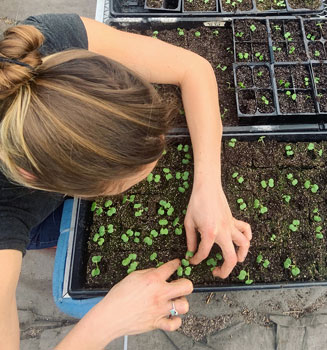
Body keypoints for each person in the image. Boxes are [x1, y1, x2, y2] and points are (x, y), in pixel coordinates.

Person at [0, 14, 252, 349]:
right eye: (125, 185)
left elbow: (193, 69)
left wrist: (209, 187)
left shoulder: (41, 52)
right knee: (44, 235)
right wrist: (107, 320)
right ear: (48, 182)